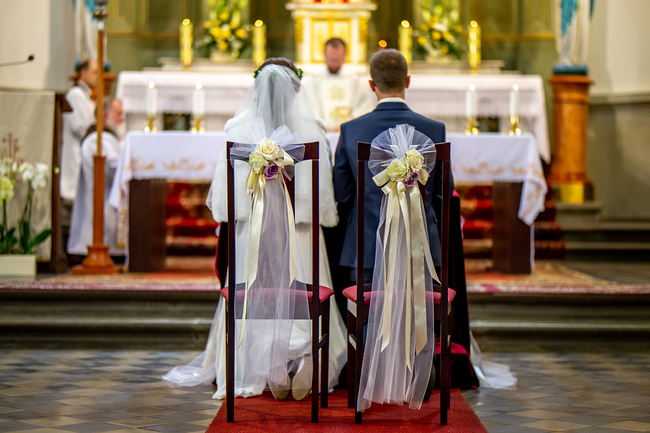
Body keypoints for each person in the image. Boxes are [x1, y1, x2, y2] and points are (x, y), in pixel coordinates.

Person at [163, 58, 347, 402]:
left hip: (254, 237)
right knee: (307, 286)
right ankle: (302, 355)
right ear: (296, 89)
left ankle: (266, 364)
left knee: (254, 291)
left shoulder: (237, 128)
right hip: (302, 237)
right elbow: (325, 199)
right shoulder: (313, 128)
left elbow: (222, 203)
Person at [334, 48, 450, 292]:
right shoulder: (435, 129)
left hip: (366, 252)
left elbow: (342, 196)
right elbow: (442, 195)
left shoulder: (351, 131)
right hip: (422, 252)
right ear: (407, 81)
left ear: (371, 84)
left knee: (367, 320)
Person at [68, 97, 125, 257]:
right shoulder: (97, 140)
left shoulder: (108, 138)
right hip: (102, 201)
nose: (122, 119)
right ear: (105, 115)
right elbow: (112, 169)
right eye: (119, 114)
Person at [303, 38, 375, 132]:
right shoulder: (312, 83)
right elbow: (308, 109)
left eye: (337, 60)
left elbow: (364, 108)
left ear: (345, 55)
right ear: (324, 54)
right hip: (322, 134)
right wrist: (320, 126)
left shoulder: (357, 82)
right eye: (331, 59)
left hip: (350, 133)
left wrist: (348, 126)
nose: (334, 64)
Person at [60, 59, 98, 231]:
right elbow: (79, 126)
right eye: (95, 72)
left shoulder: (86, 95)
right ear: (83, 72)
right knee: (72, 198)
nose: (98, 77)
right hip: (75, 151)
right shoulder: (75, 94)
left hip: (83, 150)